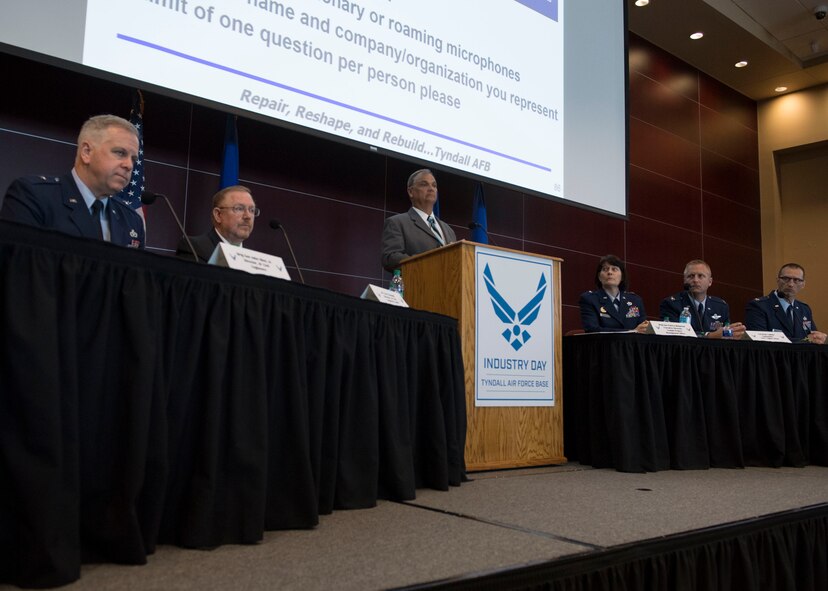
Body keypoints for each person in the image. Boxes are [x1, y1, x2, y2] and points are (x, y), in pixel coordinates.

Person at [1, 114, 145, 248]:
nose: (129, 165)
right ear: (86, 152)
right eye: (120, 153)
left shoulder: (132, 220)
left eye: (133, 159)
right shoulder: (34, 196)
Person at [381, 168, 457, 273]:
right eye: (424, 184)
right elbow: (390, 258)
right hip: (417, 286)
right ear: (411, 191)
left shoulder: (448, 230)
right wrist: (428, 261)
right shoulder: (397, 223)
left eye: (434, 185)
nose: (431, 188)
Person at [659, 259, 745, 338]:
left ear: (710, 282)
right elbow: (673, 336)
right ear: (684, 280)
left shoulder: (721, 306)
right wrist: (710, 336)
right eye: (691, 276)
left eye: (700, 276)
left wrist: (736, 333)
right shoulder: (671, 304)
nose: (695, 280)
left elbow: (725, 335)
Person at [744, 263, 827, 344]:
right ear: (778, 280)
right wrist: (804, 341)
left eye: (796, 280)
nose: (791, 284)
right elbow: (759, 341)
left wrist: (820, 339)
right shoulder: (759, 306)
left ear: (803, 284)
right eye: (786, 279)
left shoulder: (804, 309)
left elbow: (813, 338)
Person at [176, 185, 259, 262]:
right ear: (218, 215)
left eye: (252, 210)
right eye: (239, 209)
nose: (248, 216)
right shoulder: (193, 248)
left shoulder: (253, 259)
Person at [579, 254, 649, 333]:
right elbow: (592, 329)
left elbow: (643, 329)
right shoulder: (590, 299)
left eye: (614, 269)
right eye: (605, 269)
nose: (609, 272)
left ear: (622, 276)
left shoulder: (635, 300)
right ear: (599, 276)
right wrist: (633, 331)